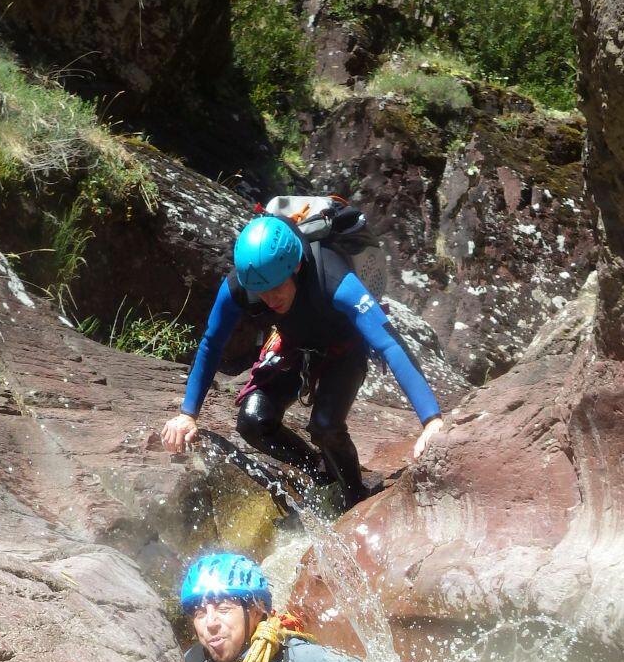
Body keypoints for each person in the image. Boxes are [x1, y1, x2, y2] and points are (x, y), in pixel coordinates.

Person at [161, 213, 444, 509]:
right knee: (253, 422)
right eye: (262, 291)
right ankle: (321, 472)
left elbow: (389, 343)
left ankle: (355, 498)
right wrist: (187, 414)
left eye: (276, 287)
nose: (270, 299)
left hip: (344, 350)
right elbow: (211, 343)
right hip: (294, 346)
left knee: (325, 426)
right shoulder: (243, 284)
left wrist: (431, 420)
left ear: (295, 267)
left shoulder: (332, 277)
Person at [181, 552, 370, 662]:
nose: (210, 623)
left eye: (224, 609)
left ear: (257, 611)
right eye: (200, 614)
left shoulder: (296, 658)